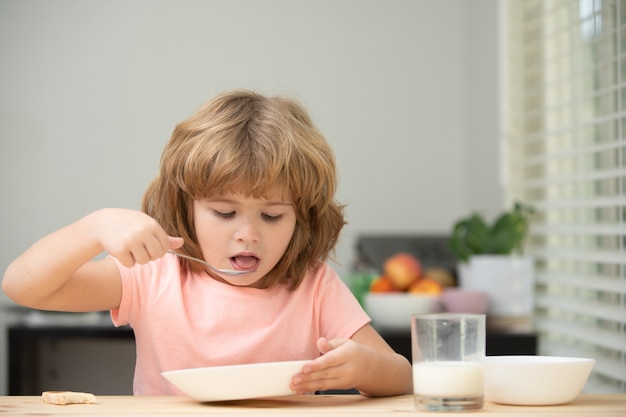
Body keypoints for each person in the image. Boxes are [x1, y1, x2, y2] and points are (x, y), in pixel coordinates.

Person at [2, 90, 412, 397]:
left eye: (272, 216)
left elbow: (404, 376)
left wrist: (366, 370)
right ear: (188, 207)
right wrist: (92, 228)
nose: (248, 233)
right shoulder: (154, 273)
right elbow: (22, 286)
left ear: (301, 217)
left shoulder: (313, 285)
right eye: (224, 212)